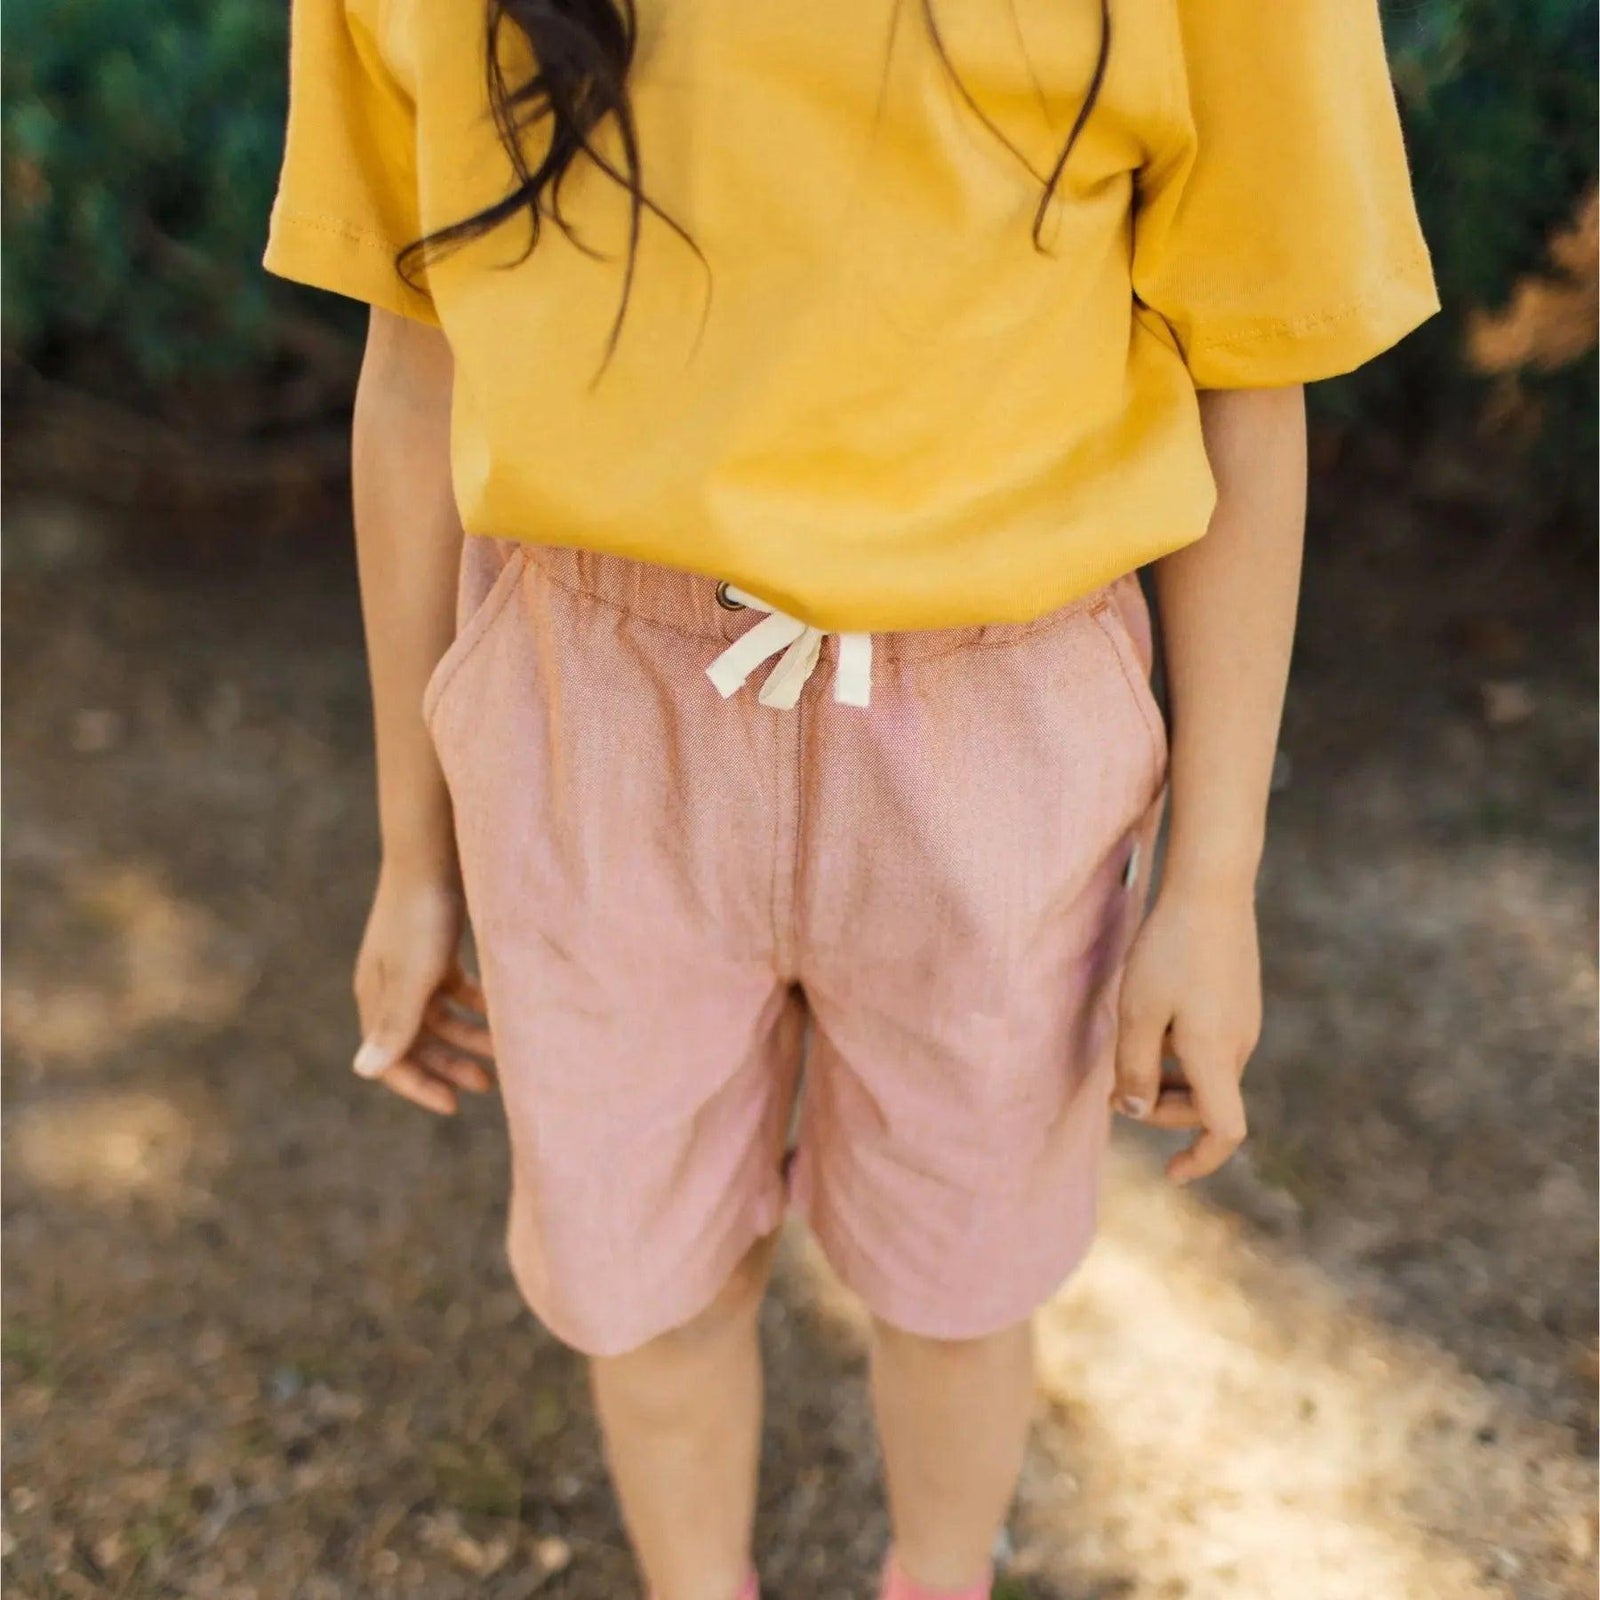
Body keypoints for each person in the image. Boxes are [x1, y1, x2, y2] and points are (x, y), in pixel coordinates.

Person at [263, 2, 1437, 1595]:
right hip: (591, 712)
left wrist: (1213, 886)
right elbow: (416, 363)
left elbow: (1249, 374)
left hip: (1000, 735)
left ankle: (938, 1579)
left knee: (962, 1284)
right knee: (648, 1283)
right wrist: (414, 856)